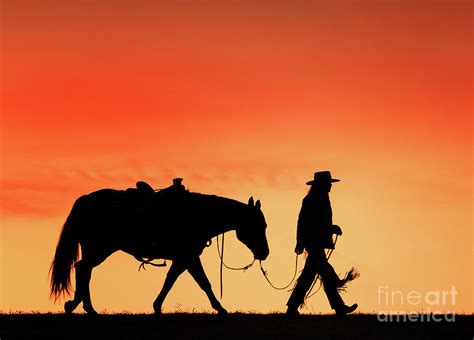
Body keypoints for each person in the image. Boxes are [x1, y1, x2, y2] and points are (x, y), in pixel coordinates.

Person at [286, 171, 358, 316]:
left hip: (315, 242)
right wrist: (330, 229)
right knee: (325, 274)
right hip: (314, 243)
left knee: (308, 277)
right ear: (322, 185)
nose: (331, 185)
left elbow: (309, 223)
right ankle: (339, 307)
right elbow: (306, 223)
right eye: (328, 183)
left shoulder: (319, 198)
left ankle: (293, 307)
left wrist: (329, 229)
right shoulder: (312, 200)